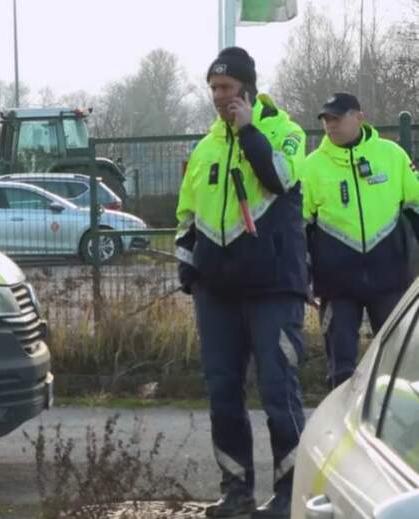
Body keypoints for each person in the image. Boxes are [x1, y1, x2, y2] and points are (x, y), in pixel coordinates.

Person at [175, 47, 308, 518]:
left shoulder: (286, 133)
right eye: (213, 88)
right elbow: (186, 214)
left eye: (226, 88)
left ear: (247, 89)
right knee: (222, 394)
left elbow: (278, 180)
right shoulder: (205, 147)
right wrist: (188, 266)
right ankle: (236, 492)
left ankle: (292, 494)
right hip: (218, 291)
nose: (218, 96)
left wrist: (248, 129)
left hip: (274, 287)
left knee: (278, 392)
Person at [303, 93, 419, 388]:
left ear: (359, 117)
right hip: (337, 286)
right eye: (326, 119)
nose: (330, 125)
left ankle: (397, 430)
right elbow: (299, 227)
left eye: (337, 118)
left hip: (390, 280)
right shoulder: (312, 166)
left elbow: (415, 206)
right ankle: (338, 429)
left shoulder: (392, 155)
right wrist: (302, 276)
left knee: (397, 368)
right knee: (341, 369)